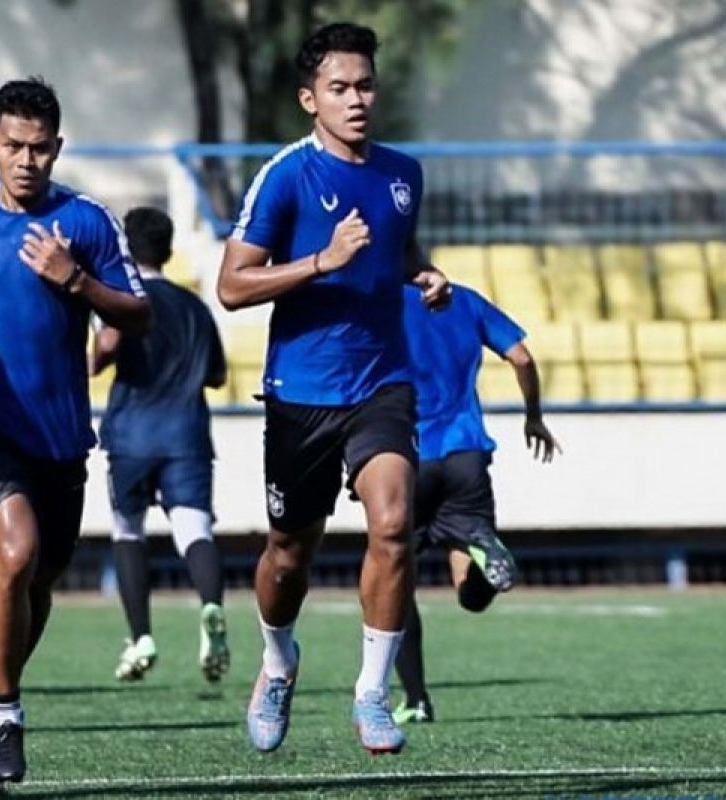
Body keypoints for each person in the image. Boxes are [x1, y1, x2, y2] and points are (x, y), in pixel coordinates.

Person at [217, 22, 450, 755]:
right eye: (340, 88)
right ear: (309, 98)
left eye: (366, 85)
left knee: (392, 524)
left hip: (382, 381)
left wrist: (422, 272)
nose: (357, 100)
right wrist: (321, 259)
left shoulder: (404, 172)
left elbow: (397, 245)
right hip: (302, 392)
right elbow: (231, 285)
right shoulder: (286, 175)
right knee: (289, 552)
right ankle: (279, 662)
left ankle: (372, 694)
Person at [0, 77, 150, 785]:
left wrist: (76, 281)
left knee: (40, 579)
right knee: (12, 555)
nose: (25, 160)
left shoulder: (85, 221)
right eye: (12, 145)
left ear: (57, 148)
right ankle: (7, 714)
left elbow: (137, 314)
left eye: (40, 148)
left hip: (62, 436)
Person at [392, 283, 561, 725]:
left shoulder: (381, 299)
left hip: (409, 458)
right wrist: (534, 417)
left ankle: (415, 699)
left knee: (393, 584)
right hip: (466, 455)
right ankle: (483, 547)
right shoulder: (464, 300)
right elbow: (521, 357)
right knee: (470, 596)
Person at [90, 207, 229, 684]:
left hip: (132, 433)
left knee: (129, 531)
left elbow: (102, 353)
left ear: (125, 250)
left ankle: (141, 637)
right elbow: (217, 374)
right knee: (194, 530)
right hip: (186, 434)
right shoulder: (194, 307)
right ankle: (210, 604)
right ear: (169, 252)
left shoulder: (122, 299)